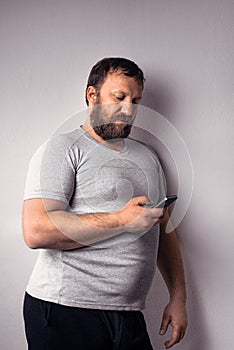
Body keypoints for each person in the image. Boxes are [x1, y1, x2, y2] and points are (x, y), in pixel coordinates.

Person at [22, 57, 187, 350]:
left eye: (136, 100)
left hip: (129, 314)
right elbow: (36, 231)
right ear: (92, 95)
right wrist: (122, 219)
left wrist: (178, 297)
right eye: (119, 97)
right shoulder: (62, 148)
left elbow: (164, 230)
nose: (128, 109)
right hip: (65, 311)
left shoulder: (149, 156)